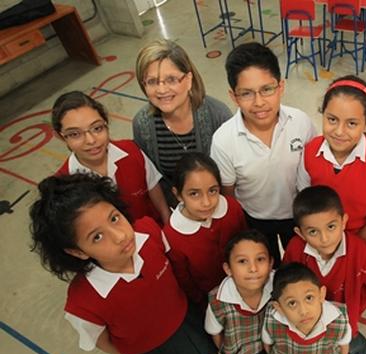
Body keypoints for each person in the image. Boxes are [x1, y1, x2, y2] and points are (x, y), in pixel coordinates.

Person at [29, 173, 231, 354]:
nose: (120, 236)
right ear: (77, 251)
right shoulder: (82, 303)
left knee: (204, 348)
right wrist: (141, 351)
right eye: (97, 237)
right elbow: (102, 342)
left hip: (183, 320)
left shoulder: (148, 232)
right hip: (147, 350)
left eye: (114, 218)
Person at [210, 42, 317, 264]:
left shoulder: (301, 123)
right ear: (233, 96)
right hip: (254, 220)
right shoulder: (223, 140)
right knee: (266, 270)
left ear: (281, 87)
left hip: (297, 216)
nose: (259, 103)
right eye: (247, 93)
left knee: (301, 266)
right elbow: (228, 195)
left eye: (267, 90)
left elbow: (314, 172)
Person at [282, 186, 366, 354]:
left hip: (346, 321)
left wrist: (355, 312)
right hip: (311, 319)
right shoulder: (295, 249)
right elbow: (287, 284)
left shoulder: (361, 251)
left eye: (331, 227)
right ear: (300, 233)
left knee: (354, 344)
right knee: (322, 350)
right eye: (313, 232)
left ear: (344, 221)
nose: (324, 238)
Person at [133, 39, 232, 206]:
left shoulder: (218, 115)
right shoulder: (142, 125)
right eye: (152, 82)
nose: (162, 90)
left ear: (188, 79)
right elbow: (153, 180)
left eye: (171, 79)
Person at [296, 75, 366, 243]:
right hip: (318, 240)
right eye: (332, 119)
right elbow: (306, 207)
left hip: (360, 242)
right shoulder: (309, 152)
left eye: (352, 123)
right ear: (323, 114)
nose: (339, 132)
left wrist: (346, 254)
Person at [53, 91, 170, 224]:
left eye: (97, 128)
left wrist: (167, 224)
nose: (91, 140)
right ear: (60, 136)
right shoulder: (61, 187)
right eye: (75, 134)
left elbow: (154, 189)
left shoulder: (131, 150)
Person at [163, 152, 247, 309]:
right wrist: (202, 303)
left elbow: (247, 243)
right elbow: (184, 280)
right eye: (194, 194)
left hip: (244, 287)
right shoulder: (172, 235)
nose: (207, 202)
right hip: (208, 300)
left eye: (213, 191)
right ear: (178, 194)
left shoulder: (232, 208)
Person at [263, 262, 351, 354]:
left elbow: (344, 344)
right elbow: (267, 343)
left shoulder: (338, 319)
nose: (303, 311)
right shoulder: (272, 319)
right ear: (278, 307)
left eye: (309, 298)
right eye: (292, 303)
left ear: (321, 294)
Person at [204, 230, 274, 354]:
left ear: (270, 264)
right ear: (228, 269)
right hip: (241, 349)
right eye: (242, 261)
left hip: (269, 343)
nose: (253, 268)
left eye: (260, 259)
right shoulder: (218, 301)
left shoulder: (278, 287)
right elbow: (214, 332)